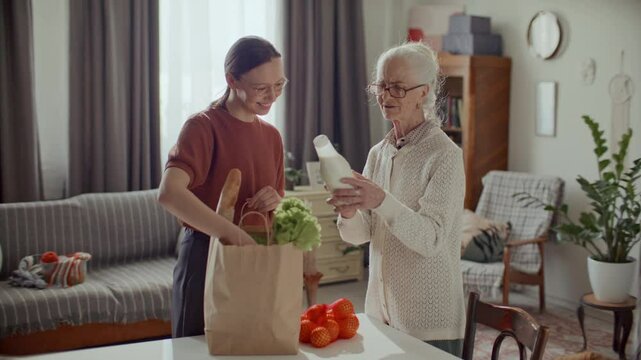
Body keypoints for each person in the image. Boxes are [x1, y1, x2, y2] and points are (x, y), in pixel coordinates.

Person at [327, 41, 466, 356]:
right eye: (382, 85)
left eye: (399, 88)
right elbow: (362, 235)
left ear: (424, 92)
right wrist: (348, 213)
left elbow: (431, 239)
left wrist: (379, 200)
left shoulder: (445, 155)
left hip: (429, 324)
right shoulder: (379, 153)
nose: (386, 96)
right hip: (381, 315)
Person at [157, 36, 287, 338]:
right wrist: (233, 235)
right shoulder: (202, 127)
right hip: (206, 255)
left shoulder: (271, 136)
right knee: (195, 350)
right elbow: (169, 193)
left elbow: (278, 197)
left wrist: (274, 200)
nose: (272, 96)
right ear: (231, 79)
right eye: (261, 88)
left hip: (255, 254)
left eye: (279, 85)